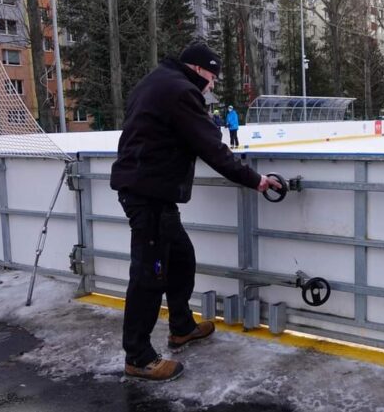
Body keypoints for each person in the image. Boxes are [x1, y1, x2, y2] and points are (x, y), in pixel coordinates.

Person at [110, 41, 282, 382]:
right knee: (149, 274)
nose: (213, 84)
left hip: (151, 191)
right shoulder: (180, 91)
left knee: (181, 258)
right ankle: (139, 357)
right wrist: (257, 181)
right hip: (148, 194)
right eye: (213, 77)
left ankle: (181, 326)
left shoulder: (158, 81)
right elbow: (213, 148)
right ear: (200, 70)